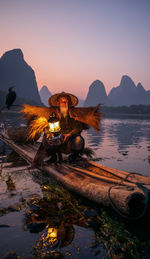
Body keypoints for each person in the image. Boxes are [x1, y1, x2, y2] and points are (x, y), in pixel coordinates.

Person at [22, 92, 101, 167]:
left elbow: (78, 127)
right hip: (56, 141)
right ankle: (53, 156)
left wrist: (69, 134)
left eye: (66, 102)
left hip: (69, 142)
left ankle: (73, 157)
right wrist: (49, 134)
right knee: (46, 139)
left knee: (78, 140)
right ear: (58, 103)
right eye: (62, 102)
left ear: (69, 103)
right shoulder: (52, 114)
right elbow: (47, 126)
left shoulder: (74, 114)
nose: (64, 104)